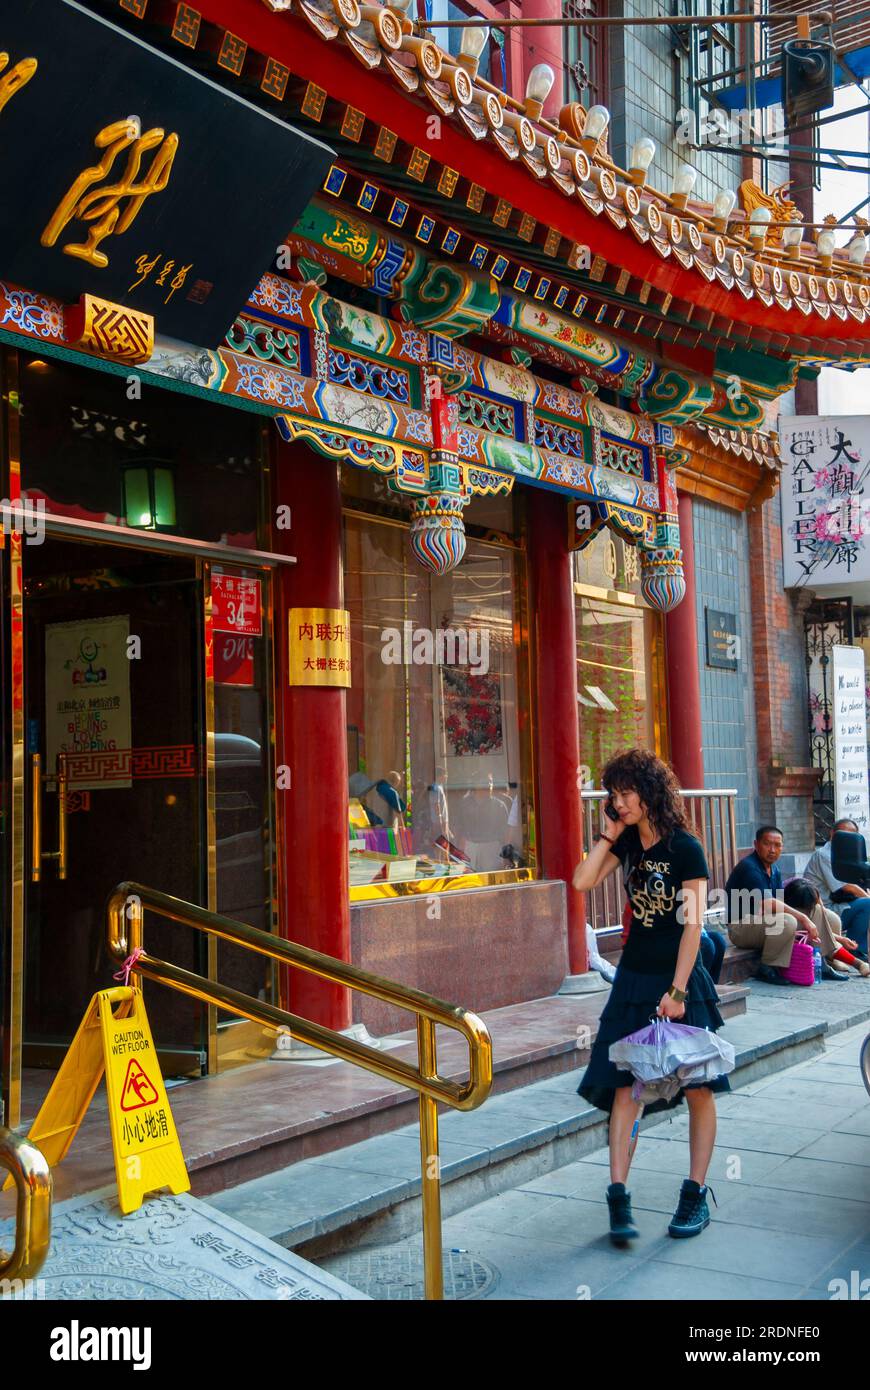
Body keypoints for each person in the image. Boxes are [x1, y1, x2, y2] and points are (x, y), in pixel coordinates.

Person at [573, 749, 729, 1245]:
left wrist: (678, 991)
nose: (618, 802)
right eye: (612, 795)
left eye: (625, 793)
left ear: (650, 792)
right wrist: (610, 834)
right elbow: (581, 880)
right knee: (625, 1086)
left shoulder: (686, 848)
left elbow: (693, 926)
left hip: (678, 977)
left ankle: (694, 1194)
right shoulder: (628, 846)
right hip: (633, 977)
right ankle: (618, 1197)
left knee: (699, 1087)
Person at [724, 826, 834, 983]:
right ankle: (768, 967)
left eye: (777, 845)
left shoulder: (774, 869)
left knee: (815, 909)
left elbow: (780, 903)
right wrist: (803, 919)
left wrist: (807, 918)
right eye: (767, 844)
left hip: (762, 922)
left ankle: (821, 962)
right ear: (756, 845)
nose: (772, 850)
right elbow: (768, 904)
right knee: (785, 921)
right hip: (740, 928)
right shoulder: (749, 868)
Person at [804, 819, 870, 959]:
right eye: (843, 834)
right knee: (867, 904)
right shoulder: (825, 855)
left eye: (851, 835)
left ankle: (857, 947)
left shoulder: (848, 855)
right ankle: (854, 949)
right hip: (821, 910)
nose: (847, 838)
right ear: (833, 834)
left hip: (836, 904)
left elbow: (858, 882)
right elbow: (848, 887)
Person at [782, 878, 870, 978]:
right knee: (822, 941)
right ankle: (853, 964)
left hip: (816, 940)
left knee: (826, 938)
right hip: (794, 944)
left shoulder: (814, 907)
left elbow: (821, 932)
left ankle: (857, 964)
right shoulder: (788, 913)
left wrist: (842, 939)